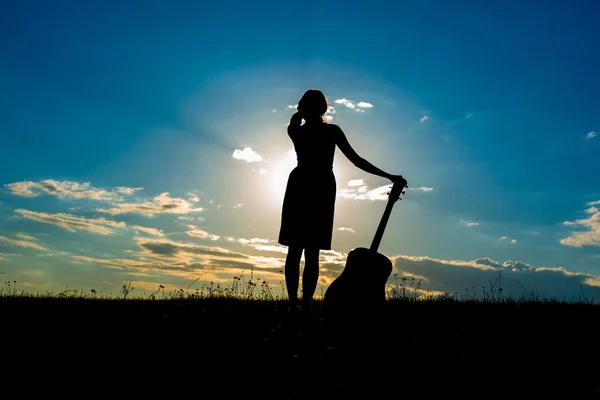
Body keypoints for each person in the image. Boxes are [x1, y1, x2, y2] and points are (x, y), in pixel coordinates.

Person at [278, 88, 407, 312]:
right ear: (323, 109)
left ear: (302, 107)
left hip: (300, 183)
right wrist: (388, 176)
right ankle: (306, 303)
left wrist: (297, 117)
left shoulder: (295, 131)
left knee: (296, 248)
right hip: (320, 185)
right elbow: (356, 160)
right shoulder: (331, 131)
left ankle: (294, 303)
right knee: (311, 250)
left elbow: (293, 124)